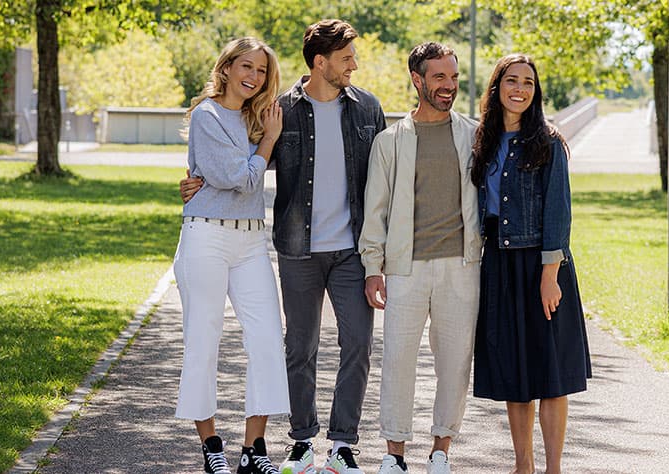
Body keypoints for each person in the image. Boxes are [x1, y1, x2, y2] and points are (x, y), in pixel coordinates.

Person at [183, 19, 387, 474]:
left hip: (352, 250)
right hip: (298, 248)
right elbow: (239, 162)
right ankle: (300, 441)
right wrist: (194, 179)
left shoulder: (368, 108)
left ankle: (342, 443)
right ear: (321, 62)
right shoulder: (281, 111)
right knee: (298, 348)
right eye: (347, 57)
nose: (354, 64)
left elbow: (383, 178)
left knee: (358, 344)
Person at [359, 42, 481, 474]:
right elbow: (375, 209)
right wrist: (374, 268)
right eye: (439, 77)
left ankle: (441, 450)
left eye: (453, 77)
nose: (449, 86)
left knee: (455, 362)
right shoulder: (390, 141)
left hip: (462, 268)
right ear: (418, 80)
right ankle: (394, 455)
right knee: (398, 360)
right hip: (405, 269)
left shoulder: (473, 134)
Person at [467, 53, 590, 474]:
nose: (520, 89)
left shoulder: (549, 142)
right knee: (515, 377)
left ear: (535, 92)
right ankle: (524, 466)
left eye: (528, 83)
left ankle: (553, 468)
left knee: (550, 375)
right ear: (497, 87)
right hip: (499, 266)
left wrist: (549, 276)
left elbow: (558, 212)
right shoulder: (482, 139)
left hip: (543, 268)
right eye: (512, 81)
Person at [174, 36, 288, 474]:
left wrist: (266, 144)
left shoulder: (259, 117)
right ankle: (211, 446)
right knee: (203, 340)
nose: (253, 77)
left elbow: (255, 171)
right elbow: (237, 178)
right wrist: (266, 146)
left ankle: (253, 449)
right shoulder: (207, 115)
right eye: (246, 66)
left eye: (261, 71)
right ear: (227, 67)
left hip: (251, 240)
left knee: (266, 339)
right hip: (206, 237)